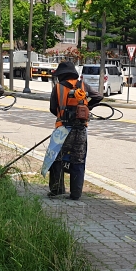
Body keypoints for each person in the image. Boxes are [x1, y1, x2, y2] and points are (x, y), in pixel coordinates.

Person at [48, 61, 103, 200]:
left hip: (63, 129)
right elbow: (98, 97)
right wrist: (85, 108)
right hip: (80, 130)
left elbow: (52, 108)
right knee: (78, 160)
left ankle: (57, 189)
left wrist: (62, 114)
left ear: (61, 75)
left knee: (56, 158)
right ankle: (76, 193)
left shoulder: (58, 88)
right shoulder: (83, 86)